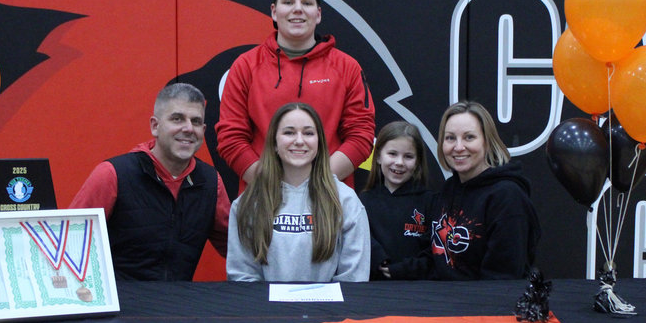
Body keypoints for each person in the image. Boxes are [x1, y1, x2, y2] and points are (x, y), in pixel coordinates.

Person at [216, 0, 375, 189]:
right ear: (274, 11)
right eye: (288, 1)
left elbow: (361, 135)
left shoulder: (347, 67)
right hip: (264, 197)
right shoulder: (245, 66)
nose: (297, 9)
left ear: (318, 14)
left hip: (327, 198)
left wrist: (318, 184)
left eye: (307, 2)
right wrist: (271, 186)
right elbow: (230, 138)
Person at [69, 83, 229, 281]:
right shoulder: (113, 174)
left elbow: (240, 252)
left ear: (203, 130)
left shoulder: (211, 182)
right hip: (120, 306)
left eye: (196, 122)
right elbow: (71, 244)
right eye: (177, 119)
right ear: (155, 126)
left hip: (177, 306)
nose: (188, 128)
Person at [226, 102, 370, 282]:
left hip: (330, 310)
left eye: (308, 133)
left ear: (319, 143)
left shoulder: (346, 201)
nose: (299, 140)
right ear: (275, 143)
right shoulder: (248, 203)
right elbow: (243, 277)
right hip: (266, 309)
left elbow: (353, 279)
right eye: (289, 132)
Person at [398, 101, 540, 280]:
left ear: (487, 142)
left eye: (469, 137)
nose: (458, 147)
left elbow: (503, 279)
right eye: (450, 138)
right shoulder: (449, 190)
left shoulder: (507, 196)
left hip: (483, 306)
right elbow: (437, 259)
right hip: (441, 303)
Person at [358, 120, 432, 280]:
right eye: (392, 154)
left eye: (408, 156)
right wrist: (380, 261)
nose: (399, 162)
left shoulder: (430, 202)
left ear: (418, 162)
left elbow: (433, 253)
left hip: (418, 290)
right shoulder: (362, 202)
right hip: (374, 289)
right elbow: (358, 242)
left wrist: (403, 269)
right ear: (378, 157)